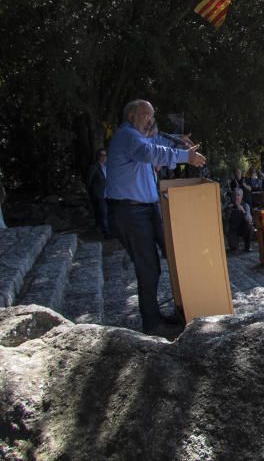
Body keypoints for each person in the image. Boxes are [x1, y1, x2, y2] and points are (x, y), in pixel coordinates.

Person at [106, 99, 206, 337]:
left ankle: (181, 309)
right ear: (131, 116)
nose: (150, 120)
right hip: (130, 212)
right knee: (148, 267)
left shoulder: (139, 136)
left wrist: (177, 139)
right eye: (145, 115)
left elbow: (157, 141)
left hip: (146, 209)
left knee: (173, 254)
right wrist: (185, 156)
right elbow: (151, 152)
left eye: (152, 116)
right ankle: (151, 323)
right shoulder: (127, 136)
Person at [86, 148, 110, 238]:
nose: (104, 157)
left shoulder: (107, 167)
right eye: (102, 155)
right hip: (99, 194)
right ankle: (106, 234)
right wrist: (93, 193)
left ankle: (108, 230)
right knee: (103, 213)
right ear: (98, 156)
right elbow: (89, 182)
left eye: (105, 155)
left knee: (108, 213)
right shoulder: (94, 167)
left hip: (108, 194)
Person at [224, 188, 253, 252]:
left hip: (242, 229)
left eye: (238, 195)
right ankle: (234, 244)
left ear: (242, 196)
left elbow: (250, 220)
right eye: (234, 195)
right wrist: (228, 210)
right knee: (234, 249)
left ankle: (247, 246)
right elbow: (225, 221)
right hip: (233, 230)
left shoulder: (245, 205)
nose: (236, 197)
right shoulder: (228, 206)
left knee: (250, 226)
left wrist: (243, 211)